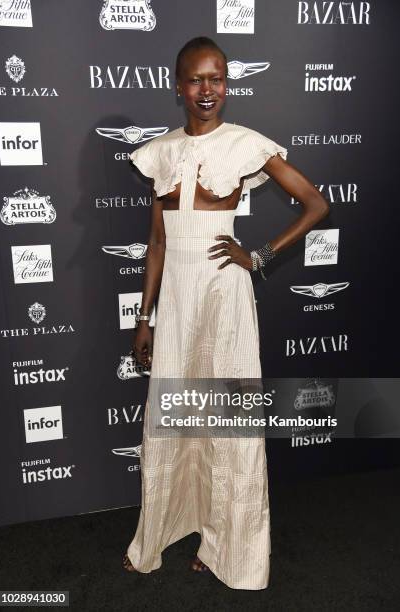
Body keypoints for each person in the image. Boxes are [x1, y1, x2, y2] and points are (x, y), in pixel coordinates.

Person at [122, 36, 329, 590]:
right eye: (196, 79)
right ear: (178, 86)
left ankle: (227, 547)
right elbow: (158, 244)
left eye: (216, 78)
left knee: (228, 425)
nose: (207, 89)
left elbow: (316, 203)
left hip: (224, 297)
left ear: (227, 85)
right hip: (178, 303)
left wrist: (257, 254)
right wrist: (145, 318)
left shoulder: (245, 145)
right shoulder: (159, 152)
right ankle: (163, 531)